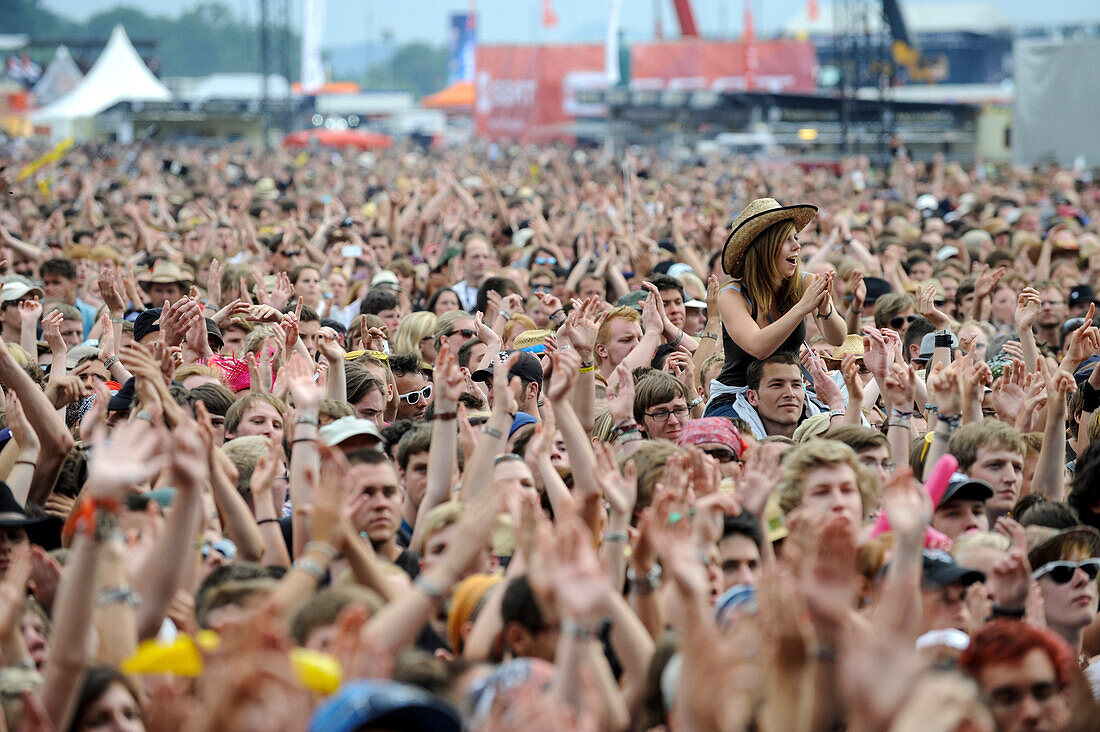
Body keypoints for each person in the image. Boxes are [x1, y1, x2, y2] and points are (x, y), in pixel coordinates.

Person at [707, 198, 846, 419]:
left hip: (790, 395)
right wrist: (802, 307)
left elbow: (838, 338)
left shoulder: (806, 283)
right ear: (765, 248)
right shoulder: (732, 295)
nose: (797, 246)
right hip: (737, 397)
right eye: (787, 240)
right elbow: (759, 348)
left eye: (796, 238)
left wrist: (825, 307)